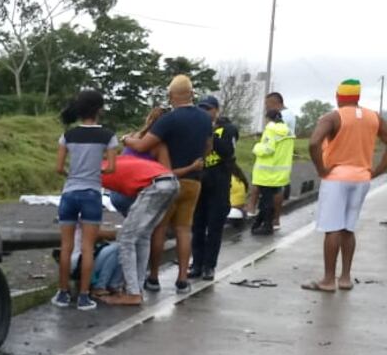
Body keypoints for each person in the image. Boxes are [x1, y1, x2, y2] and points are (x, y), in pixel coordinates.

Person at [122, 75, 212, 293]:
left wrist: (126, 139)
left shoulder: (169, 119)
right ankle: (182, 279)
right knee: (184, 229)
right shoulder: (205, 118)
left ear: (171, 96)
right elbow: (208, 147)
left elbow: (143, 145)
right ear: (191, 94)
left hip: (168, 181)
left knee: (159, 228)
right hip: (194, 182)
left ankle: (153, 277)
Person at [300, 79, 387, 292]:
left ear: (338, 96)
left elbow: (313, 143)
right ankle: (345, 278)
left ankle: (328, 280)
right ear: (357, 97)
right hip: (362, 178)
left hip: (337, 178)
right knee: (349, 228)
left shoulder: (332, 117)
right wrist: (378, 170)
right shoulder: (374, 117)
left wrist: (321, 169)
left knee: (332, 229)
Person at [51, 89, 118, 311]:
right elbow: (111, 168)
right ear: (99, 110)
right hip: (91, 194)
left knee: (66, 246)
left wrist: (72, 173)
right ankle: (83, 296)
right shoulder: (108, 136)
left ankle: (62, 294)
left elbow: (59, 168)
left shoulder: (68, 135)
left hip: (69, 193)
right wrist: (96, 174)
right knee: (88, 248)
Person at [98, 155, 179, 305]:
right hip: (171, 183)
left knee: (125, 239)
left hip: (155, 187)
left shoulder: (98, 170)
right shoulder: (119, 160)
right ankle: (137, 288)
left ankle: (133, 293)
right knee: (143, 236)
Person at [189, 96, 249, 280]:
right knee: (197, 226)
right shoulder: (195, 127)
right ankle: (196, 264)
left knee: (214, 228)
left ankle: (209, 266)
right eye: (202, 109)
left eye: (208, 109)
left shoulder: (227, 129)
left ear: (216, 110)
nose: (205, 113)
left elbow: (226, 151)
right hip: (199, 183)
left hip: (219, 184)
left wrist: (211, 134)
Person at [250, 108, 293, 235]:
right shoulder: (288, 131)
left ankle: (266, 225)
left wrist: (256, 147)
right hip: (280, 171)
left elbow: (268, 149)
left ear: (268, 118)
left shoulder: (270, 129)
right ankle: (261, 223)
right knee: (269, 199)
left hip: (267, 172)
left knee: (266, 201)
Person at [264, 92, 296, 228]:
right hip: (283, 156)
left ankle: (275, 219)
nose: (266, 108)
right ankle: (273, 219)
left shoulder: (284, 116)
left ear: (275, 103)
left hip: (276, 156)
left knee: (276, 188)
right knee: (277, 187)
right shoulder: (289, 115)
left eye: (267, 105)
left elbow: (275, 135)